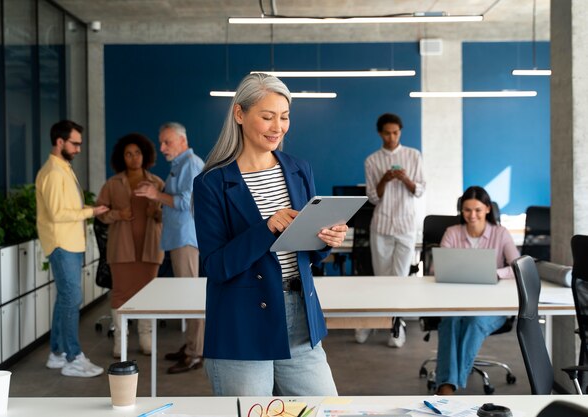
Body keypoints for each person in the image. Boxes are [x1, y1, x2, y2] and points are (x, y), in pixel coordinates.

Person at [192, 73, 348, 396]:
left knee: (327, 409)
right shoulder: (211, 183)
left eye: (284, 116)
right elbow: (216, 266)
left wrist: (326, 239)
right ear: (239, 114)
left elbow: (307, 252)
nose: (278, 127)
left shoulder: (298, 169)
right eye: (267, 117)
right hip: (242, 323)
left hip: (300, 318)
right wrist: (267, 228)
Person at [35, 120, 109, 377]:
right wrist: (92, 211)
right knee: (71, 299)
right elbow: (57, 214)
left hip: (69, 243)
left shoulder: (62, 168)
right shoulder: (54, 173)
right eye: (75, 143)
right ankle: (72, 357)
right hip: (62, 243)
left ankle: (56, 353)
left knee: (65, 298)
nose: (78, 148)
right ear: (60, 142)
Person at [134, 122, 205, 374]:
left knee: (193, 298)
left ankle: (196, 353)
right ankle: (190, 347)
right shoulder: (179, 165)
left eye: (167, 142)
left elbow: (187, 202)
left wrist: (155, 195)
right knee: (187, 297)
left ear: (182, 141)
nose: (162, 147)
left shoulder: (191, 164)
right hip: (176, 238)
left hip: (186, 239)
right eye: (161, 142)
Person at [435, 186, 520, 395]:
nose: (472, 216)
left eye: (477, 210)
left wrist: (496, 273)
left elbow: (518, 266)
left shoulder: (500, 233)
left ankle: (449, 384)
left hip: (491, 305)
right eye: (466, 210)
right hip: (456, 302)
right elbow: (438, 267)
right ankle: (447, 385)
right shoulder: (452, 233)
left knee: (474, 321)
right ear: (461, 210)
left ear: (488, 209)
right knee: (450, 321)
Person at [355, 113, 426, 347]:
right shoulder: (372, 160)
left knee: (400, 278)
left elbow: (420, 190)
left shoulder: (413, 155)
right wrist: (384, 179)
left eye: (396, 132)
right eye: (387, 133)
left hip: (406, 226)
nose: (392, 137)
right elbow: (373, 198)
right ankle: (375, 321)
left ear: (400, 132)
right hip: (382, 225)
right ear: (380, 133)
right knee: (382, 279)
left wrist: (405, 179)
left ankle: (397, 325)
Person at [96, 133, 164, 358]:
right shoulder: (112, 184)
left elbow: (170, 214)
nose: (134, 158)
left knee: (149, 294)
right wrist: (118, 214)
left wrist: (157, 213)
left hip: (150, 248)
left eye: (137, 153)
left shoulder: (157, 183)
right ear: (121, 158)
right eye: (128, 154)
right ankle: (120, 340)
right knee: (120, 294)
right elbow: (100, 213)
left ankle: (146, 338)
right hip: (121, 249)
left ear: (145, 156)